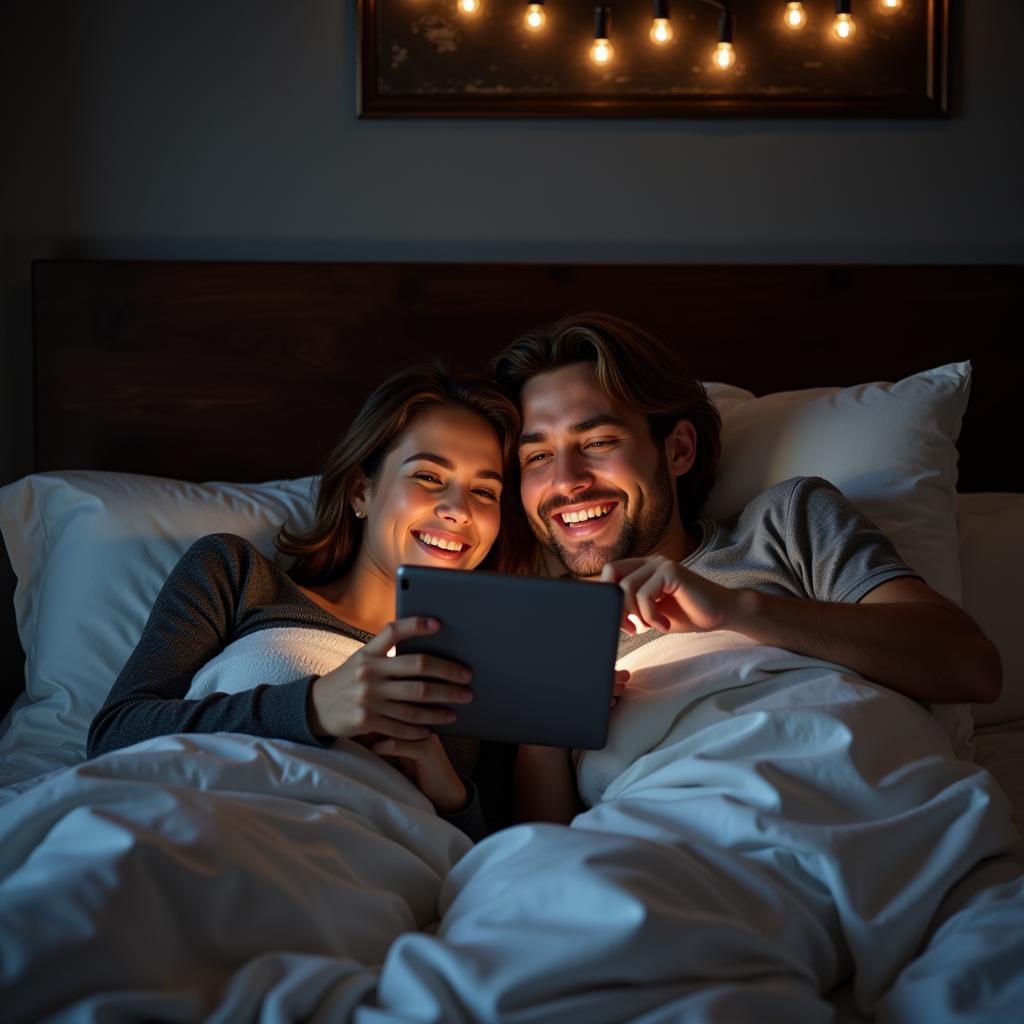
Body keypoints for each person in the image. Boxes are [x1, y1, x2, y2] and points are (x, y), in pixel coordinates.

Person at [363, 315, 1024, 1023]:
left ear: (676, 449)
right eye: (536, 457)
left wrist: (737, 609)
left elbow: (968, 666)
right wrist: (550, 716)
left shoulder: (786, 523)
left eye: (599, 442)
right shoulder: (528, 616)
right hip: (687, 848)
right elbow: (541, 833)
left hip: (908, 823)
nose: (567, 482)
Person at [87, 361, 533, 840]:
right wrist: (314, 708)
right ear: (362, 491)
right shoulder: (237, 575)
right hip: (187, 829)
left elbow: (497, 854)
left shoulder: (488, 667)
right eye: (427, 477)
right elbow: (115, 735)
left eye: (485, 491)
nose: (458, 510)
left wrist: (447, 791)